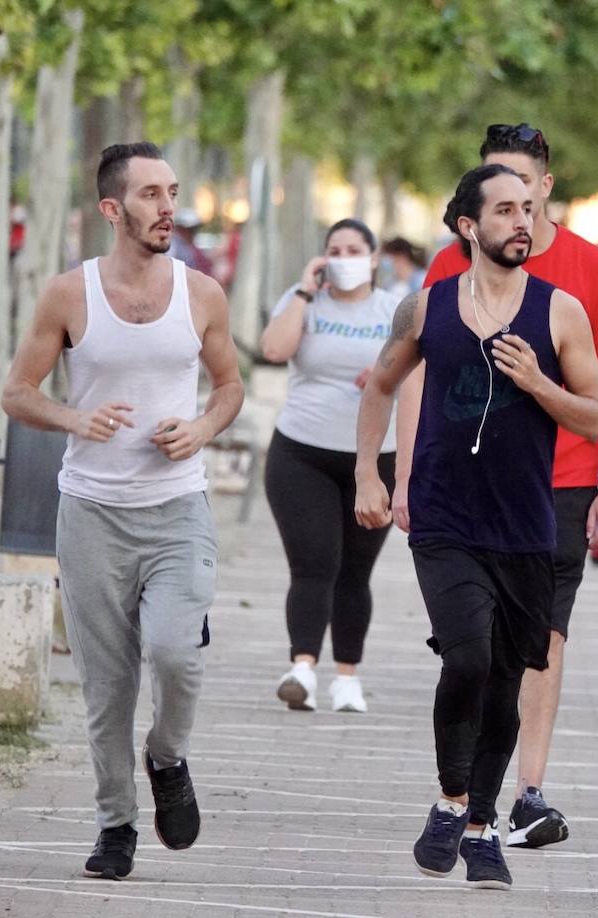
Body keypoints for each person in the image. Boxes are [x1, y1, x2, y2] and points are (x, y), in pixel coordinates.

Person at [355, 164, 598, 890]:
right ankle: (451, 799)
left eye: (527, 208)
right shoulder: (426, 308)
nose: (522, 221)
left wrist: (537, 383)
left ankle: (481, 825)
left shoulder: (561, 312)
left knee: (504, 678)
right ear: (469, 226)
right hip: (445, 518)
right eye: (505, 210)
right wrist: (369, 473)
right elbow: (379, 385)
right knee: (466, 657)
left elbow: (596, 416)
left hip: (524, 524)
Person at [1, 142, 244, 880]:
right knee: (107, 690)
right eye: (150, 195)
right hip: (92, 516)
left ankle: (167, 757)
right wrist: (76, 419)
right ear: (112, 209)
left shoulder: (202, 294)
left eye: (172, 192)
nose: (168, 207)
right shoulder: (68, 295)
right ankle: (116, 825)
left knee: (176, 654)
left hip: (177, 509)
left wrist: (201, 428)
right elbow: (17, 393)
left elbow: (230, 385)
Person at [407, 123, 598, 848]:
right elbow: (416, 371)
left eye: (523, 190)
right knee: (472, 650)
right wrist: (403, 474)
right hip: (462, 489)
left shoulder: (589, 268)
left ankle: (526, 790)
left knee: (541, 639)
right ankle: (466, 791)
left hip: (559, 485)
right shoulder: (449, 266)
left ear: (546, 186)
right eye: (496, 190)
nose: (514, 208)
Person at [260, 218, 400, 714]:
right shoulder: (305, 302)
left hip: (375, 460)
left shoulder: (395, 309)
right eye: (334, 251)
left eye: (354, 250)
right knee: (313, 564)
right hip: (302, 452)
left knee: (354, 571)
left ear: (374, 257)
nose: (344, 259)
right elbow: (273, 349)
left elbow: (425, 369)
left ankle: (347, 677)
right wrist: (303, 289)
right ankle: (302, 668)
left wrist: (386, 373)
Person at [170, 207, 213, 276]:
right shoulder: (173, 248)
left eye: (194, 229)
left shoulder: (193, 248)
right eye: (189, 229)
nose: (192, 233)